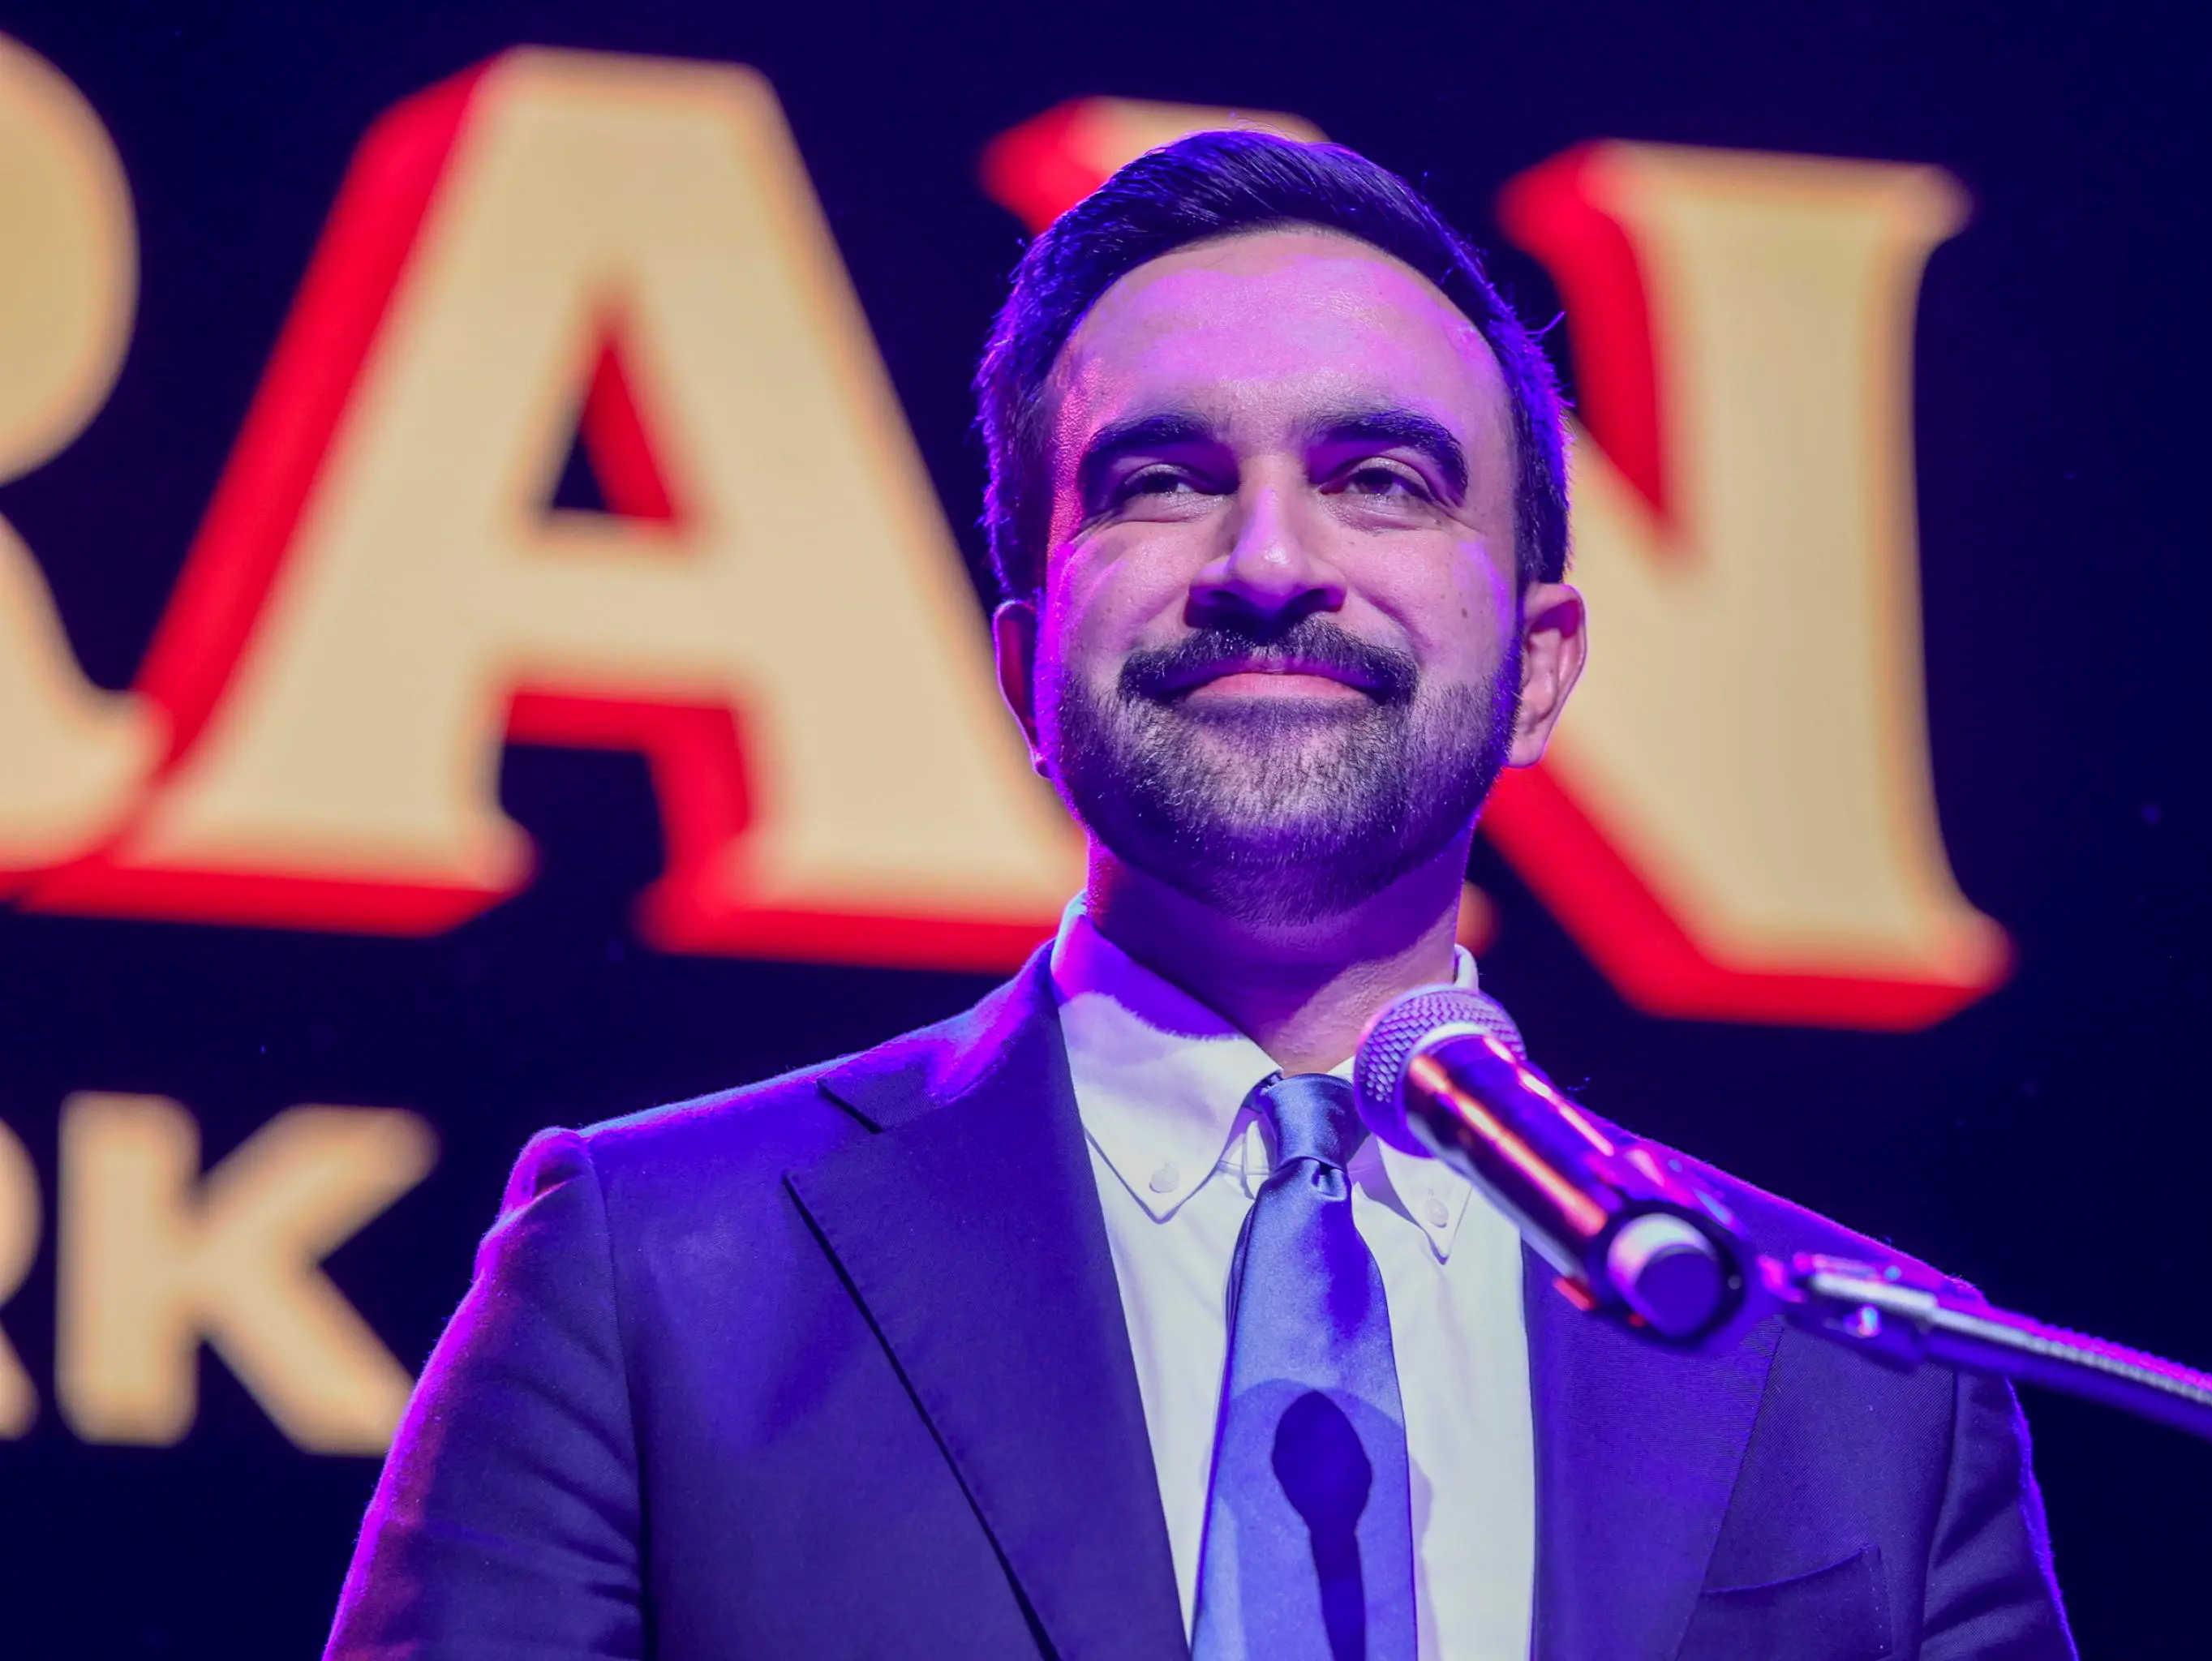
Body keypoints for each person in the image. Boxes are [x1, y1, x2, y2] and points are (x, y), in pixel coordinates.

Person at [325, 131, 2076, 1660]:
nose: (1266, 561)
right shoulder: (654, 1275)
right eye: (1163, 478)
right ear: (1024, 663)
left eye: (1379, 480)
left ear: (1541, 667)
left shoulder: (1869, 1389)